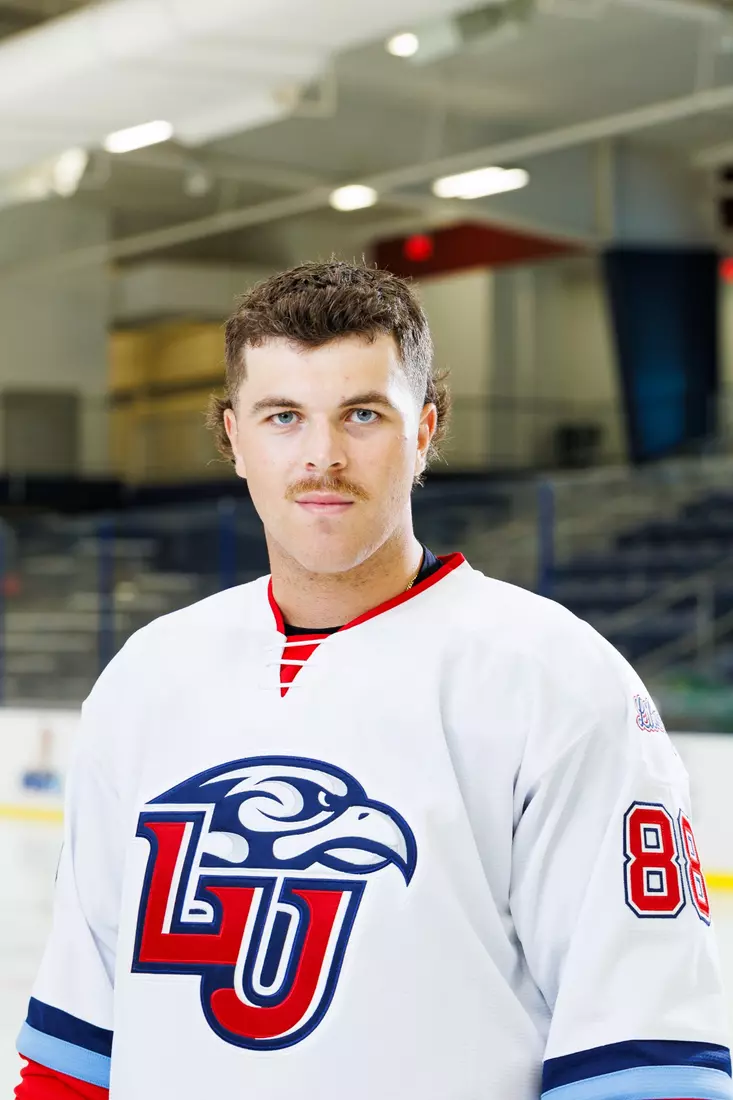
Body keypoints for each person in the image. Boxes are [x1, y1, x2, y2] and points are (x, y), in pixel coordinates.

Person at [16, 260, 732, 1100]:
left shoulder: (553, 678)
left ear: (424, 431)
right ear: (232, 438)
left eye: (362, 414)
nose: (322, 456)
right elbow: (73, 1055)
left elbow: (643, 1063)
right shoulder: (147, 676)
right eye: (283, 416)